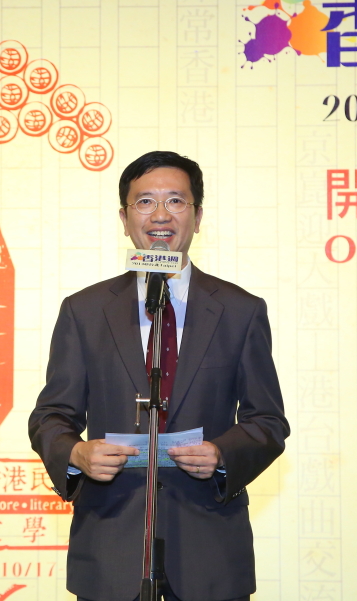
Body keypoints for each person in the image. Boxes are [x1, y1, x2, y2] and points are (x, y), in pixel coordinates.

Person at [28, 151, 288, 601]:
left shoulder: (240, 311)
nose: (161, 215)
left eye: (176, 201)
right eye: (145, 202)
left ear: (198, 217)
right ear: (124, 219)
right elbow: (50, 415)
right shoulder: (85, 311)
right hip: (110, 544)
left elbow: (267, 420)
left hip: (210, 546)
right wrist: (76, 453)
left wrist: (222, 454)